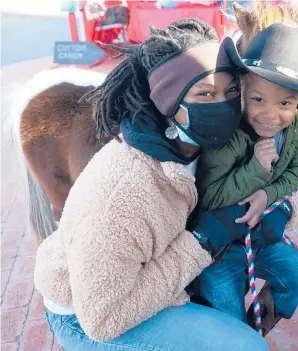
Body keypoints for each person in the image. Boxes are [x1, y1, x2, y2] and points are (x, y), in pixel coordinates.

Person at [33, 19, 269, 350]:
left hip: (149, 276)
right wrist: (201, 242)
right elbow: (103, 319)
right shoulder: (124, 194)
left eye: (231, 91)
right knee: (246, 347)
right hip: (85, 318)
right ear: (169, 106)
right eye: (205, 94)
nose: (224, 105)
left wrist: (271, 198)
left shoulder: (201, 146)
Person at [189, 23, 298, 336]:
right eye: (258, 99)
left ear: (297, 103)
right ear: (241, 92)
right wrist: (256, 167)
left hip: (260, 237)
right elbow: (208, 194)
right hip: (220, 248)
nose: (271, 115)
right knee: (227, 315)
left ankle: (259, 326)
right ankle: (235, 335)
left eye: (285, 103)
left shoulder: (291, 127)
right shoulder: (229, 135)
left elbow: (297, 170)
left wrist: (267, 195)